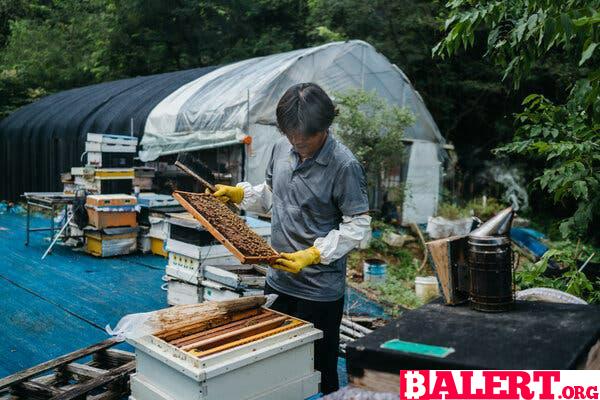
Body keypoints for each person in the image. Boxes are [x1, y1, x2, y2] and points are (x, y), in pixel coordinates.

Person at [211, 83, 371, 394]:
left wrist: (312, 255)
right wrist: (241, 194)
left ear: (325, 126)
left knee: (320, 368)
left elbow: (358, 225)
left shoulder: (345, 165)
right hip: (278, 281)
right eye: (291, 136)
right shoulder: (280, 149)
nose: (298, 144)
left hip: (319, 291)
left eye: (306, 138)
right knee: (275, 363)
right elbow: (274, 195)